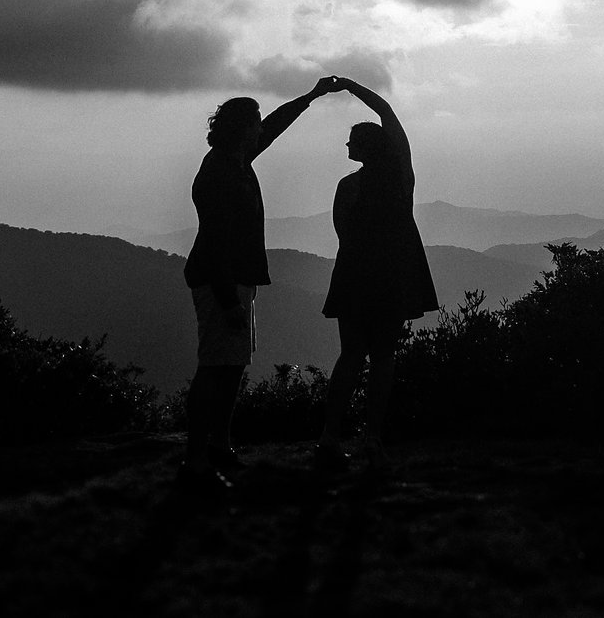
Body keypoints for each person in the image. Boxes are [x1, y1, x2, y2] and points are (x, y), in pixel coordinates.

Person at [181, 79, 338, 490]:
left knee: (231, 367)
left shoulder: (234, 159)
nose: (259, 128)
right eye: (253, 122)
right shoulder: (219, 172)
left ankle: (220, 446)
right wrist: (227, 298)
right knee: (214, 368)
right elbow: (214, 239)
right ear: (239, 128)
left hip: (238, 280)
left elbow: (276, 126)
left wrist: (310, 97)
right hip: (223, 283)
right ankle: (197, 459)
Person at [315, 75, 439, 471]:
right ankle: (372, 439)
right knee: (384, 356)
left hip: (354, 276)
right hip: (392, 275)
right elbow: (386, 111)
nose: (347, 145)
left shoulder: (347, 187)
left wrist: (346, 84)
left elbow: (342, 232)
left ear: (364, 147)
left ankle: (330, 438)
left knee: (350, 355)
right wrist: (351, 86)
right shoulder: (401, 177)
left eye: (351, 140)